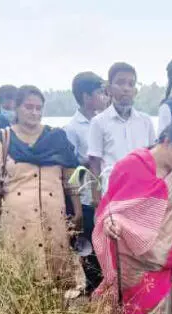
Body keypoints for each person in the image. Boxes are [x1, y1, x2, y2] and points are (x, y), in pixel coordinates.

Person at [93, 120, 172, 314]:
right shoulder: (130, 166)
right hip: (134, 261)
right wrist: (110, 223)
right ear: (167, 141)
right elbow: (111, 208)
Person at [0, 85, 85, 294]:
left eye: (38, 108)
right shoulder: (3, 138)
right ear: (17, 108)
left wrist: (78, 210)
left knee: (57, 274)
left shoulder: (56, 137)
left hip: (53, 218)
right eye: (28, 107)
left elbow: (70, 178)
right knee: (22, 276)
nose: (34, 112)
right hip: (18, 220)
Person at [65, 71, 110, 293]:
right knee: (92, 255)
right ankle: (95, 298)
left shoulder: (105, 121)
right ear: (85, 97)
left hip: (110, 198)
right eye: (100, 92)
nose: (104, 97)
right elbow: (70, 170)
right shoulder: (72, 128)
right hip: (87, 200)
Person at [87, 62, 156, 205]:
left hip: (142, 196)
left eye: (131, 84)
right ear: (109, 89)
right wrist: (97, 202)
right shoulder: (99, 122)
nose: (126, 88)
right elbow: (94, 164)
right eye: (120, 83)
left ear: (135, 91)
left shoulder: (145, 121)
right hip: (112, 197)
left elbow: (153, 159)